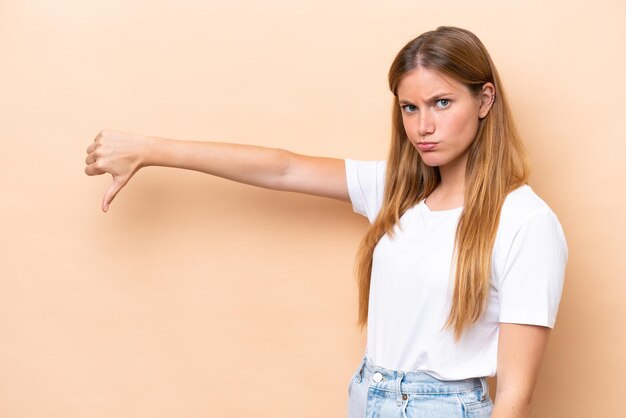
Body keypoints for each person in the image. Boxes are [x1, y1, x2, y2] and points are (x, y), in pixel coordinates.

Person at [84, 26, 568, 418]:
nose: (423, 126)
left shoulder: (525, 221)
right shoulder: (397, 193)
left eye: (442, 103)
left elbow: (515, 396)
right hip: (368, 394)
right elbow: (282, 167)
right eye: (410, 107)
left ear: (484, 101)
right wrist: (150, 150)